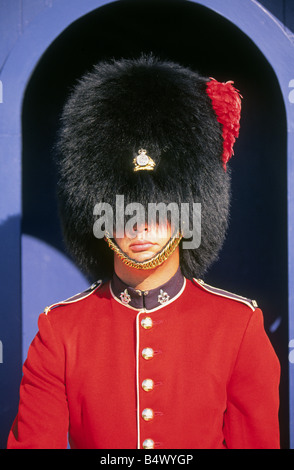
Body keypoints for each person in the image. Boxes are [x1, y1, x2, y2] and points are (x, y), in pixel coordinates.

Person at [7, 55, 280, 449]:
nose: (140, 224)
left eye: (160, 208)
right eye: (122, 208)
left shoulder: (238, 326)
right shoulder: (60, 331)